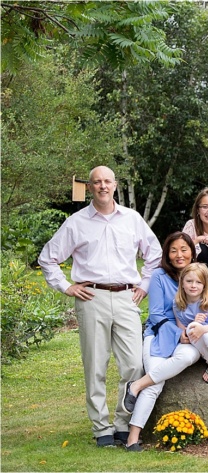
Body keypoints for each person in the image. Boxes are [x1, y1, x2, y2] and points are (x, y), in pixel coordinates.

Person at [37, 165, 161, 448]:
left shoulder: (131, 219)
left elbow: (154, 254)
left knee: (132, 364)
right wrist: (66, 286)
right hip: (91, 299)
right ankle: (101, 428)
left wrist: (144, 284)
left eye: (107, 181)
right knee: (95, 366)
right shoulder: (77, 223)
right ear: (90, 187)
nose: (102, 186)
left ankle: (121, 423)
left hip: (127, 297)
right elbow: (48, 258)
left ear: (114, 185)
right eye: (97, 182)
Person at [120, 233, 208, 451]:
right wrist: (177, 334)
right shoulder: (159, 276)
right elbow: (155, 314)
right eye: (173, 250)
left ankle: (136, 385)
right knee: (156, 381)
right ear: (167, 255)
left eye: (184, 249)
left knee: (189, 355)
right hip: (161, 335)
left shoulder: (201, 275)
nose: (179, 255)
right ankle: (133, 437)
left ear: (192, 251)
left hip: (190, 338)